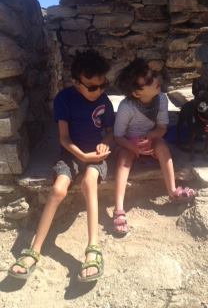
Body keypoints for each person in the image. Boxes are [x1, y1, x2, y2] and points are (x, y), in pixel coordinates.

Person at [8, 50, 115, 282]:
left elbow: (109, 133)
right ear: (76, 82)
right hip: (71, 154)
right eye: (93, 87)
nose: (99, 91)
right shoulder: (64, 99)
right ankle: (34, 249)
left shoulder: (104, 101)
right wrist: (81, 157)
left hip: (95, 155)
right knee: (58, 190)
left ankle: (93, 247)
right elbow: (64, 139)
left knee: (89, 183)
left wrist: (103, 147)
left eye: (103, 85)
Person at [113, 58, 196, 235]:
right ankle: (119, 208)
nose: (156, 81)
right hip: (129, 142)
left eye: (154, 76)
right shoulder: (126, 107)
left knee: (163, 147)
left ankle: (172, 190)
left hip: (151, 139)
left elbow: (162, 128)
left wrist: (151, 137)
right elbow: (118, 136)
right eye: (149, 81)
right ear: (136, 93)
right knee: (123, 160)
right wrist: (134, 148)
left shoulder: (161, 99)